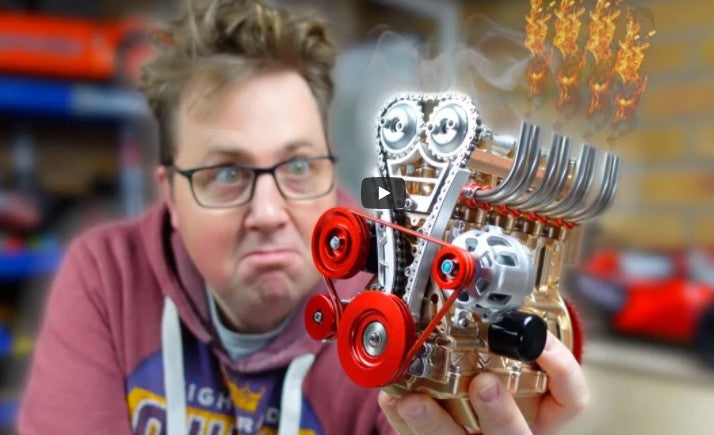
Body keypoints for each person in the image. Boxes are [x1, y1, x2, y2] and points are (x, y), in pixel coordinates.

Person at [19, 0, 589, 434]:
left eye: (297, 167)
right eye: (226, 173)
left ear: (329, 167)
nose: (268, 213)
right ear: (168, 194)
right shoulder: (107, 275)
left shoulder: (398, 297)